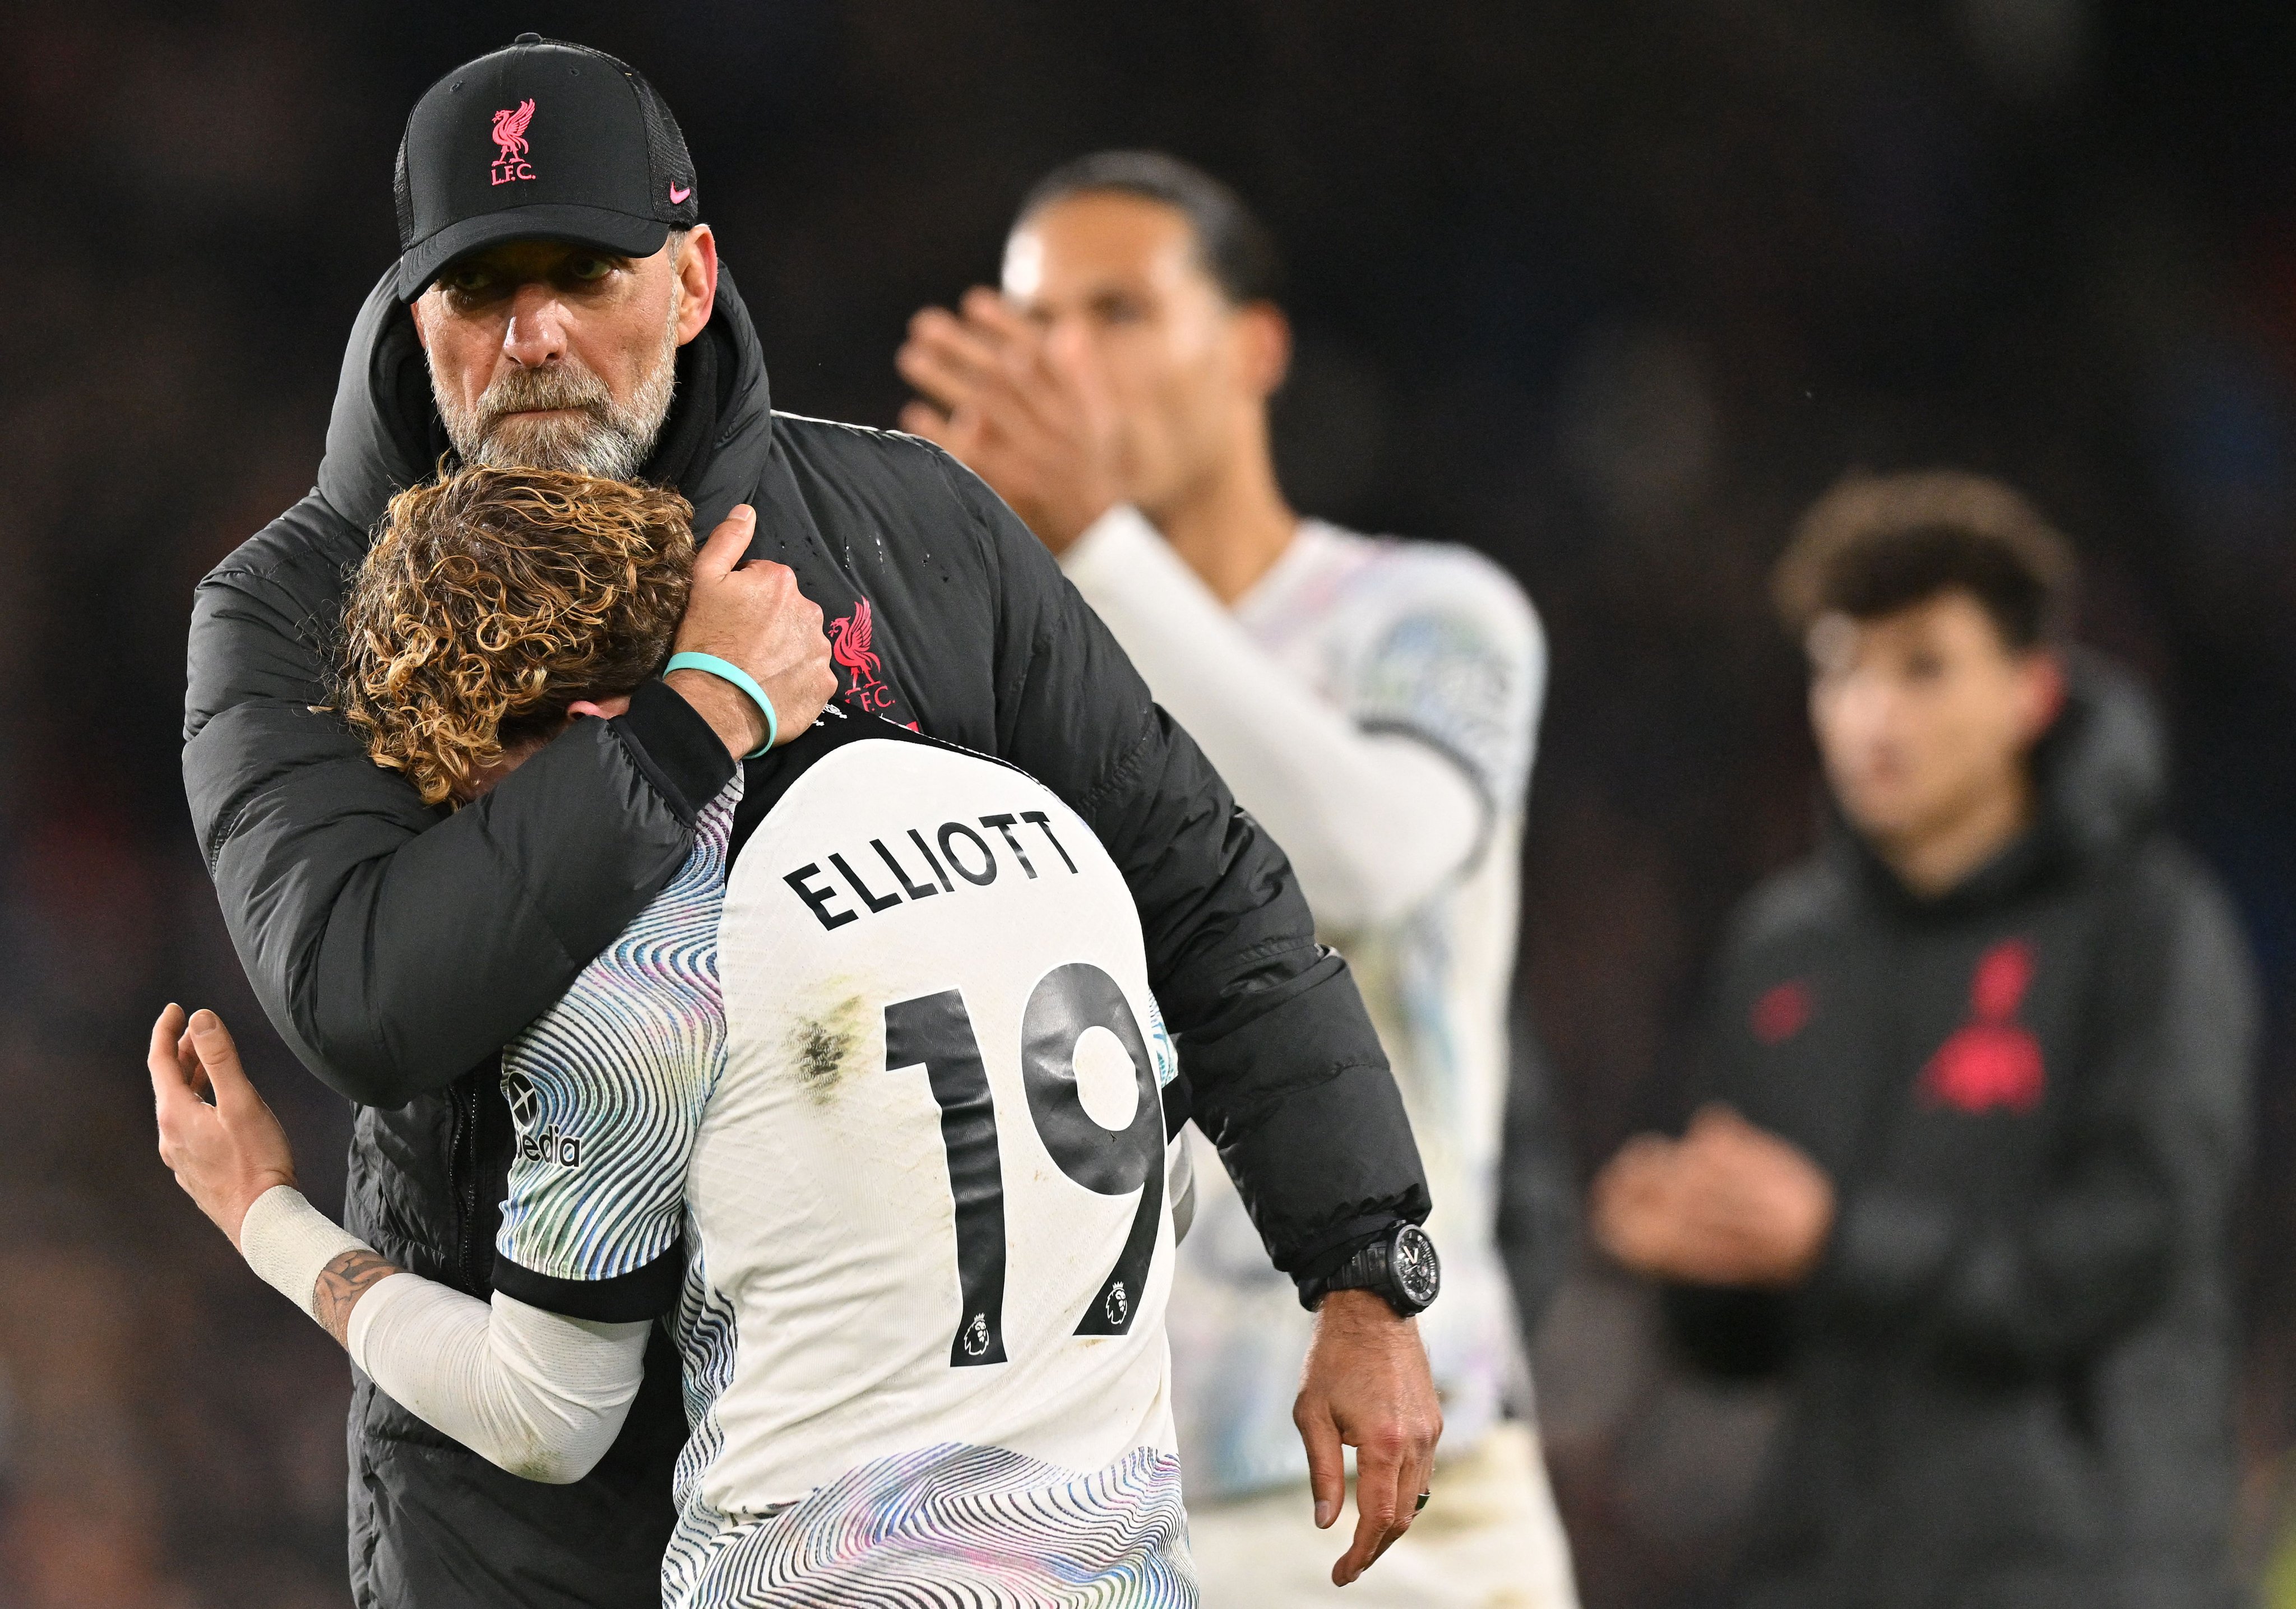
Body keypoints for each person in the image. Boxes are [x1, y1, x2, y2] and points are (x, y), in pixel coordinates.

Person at [184, 40, 1438, 1609]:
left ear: (694, 276)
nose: (536, 335)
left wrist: (1363, 1264)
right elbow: (366, 995)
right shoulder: (297, 608)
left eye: (585, 271)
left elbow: (1198, 879)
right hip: (527, 1534)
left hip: (937, 1496)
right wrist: (692, 712)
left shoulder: (916, 530)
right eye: (480, 290)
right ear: (413, 311)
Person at [158, 464, 1204, 1602]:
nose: (482, 833)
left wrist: (264, 1214)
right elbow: (1168, 1188)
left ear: (590, 726)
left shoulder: (641, 970)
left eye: (478, 788)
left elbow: (544, 1414)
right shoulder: (1034, 819)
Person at [896, 151, 1578, 1606]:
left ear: (1255, 348)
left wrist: (1092, 543)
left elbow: (1360, 858)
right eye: (1034, 326)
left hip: (1395, 1482)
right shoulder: (997, 681)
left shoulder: (1428, 620)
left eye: (1119, 313)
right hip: (1093, 1493)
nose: (1065, 361)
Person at [1589, 471, 2256, 1609]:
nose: (1872, 713)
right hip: (1829, 1567)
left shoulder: (2148, 926)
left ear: (2029, 692)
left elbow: (2122, 1248)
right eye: (1841, 667)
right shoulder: (1779, 949)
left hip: (2095, 1568)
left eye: (1922, 666)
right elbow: (1748, 1344)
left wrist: (1831, 1238)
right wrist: (1696, 1257)